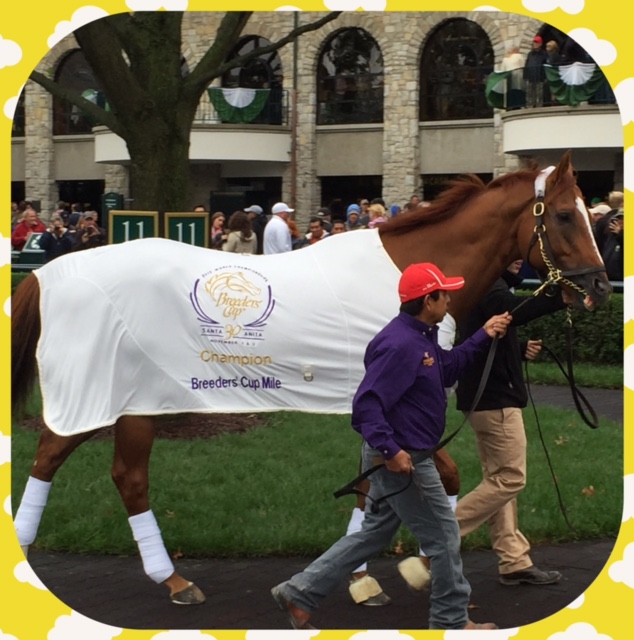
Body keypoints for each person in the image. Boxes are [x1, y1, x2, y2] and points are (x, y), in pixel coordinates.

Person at [271, 262, 511, 631]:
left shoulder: (420, 336)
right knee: (445, 536)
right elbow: (366, 405)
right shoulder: (400, 344)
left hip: (400, 455)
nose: (449, 298)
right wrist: (391, 451)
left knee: (374, 533)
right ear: (427, 300)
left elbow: (446, 369)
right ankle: (451, 621)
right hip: (405, 459)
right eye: (443, 293)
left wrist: (482, 335)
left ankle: (299, 592)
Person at [454, 260, 565, 585]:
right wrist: (560, 298)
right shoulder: (491, 284)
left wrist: (516, 348)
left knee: (499, 481)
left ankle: (513, 560)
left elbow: (483, 332)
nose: (519, 259)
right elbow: (511, 310)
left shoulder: (481, 281)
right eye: (511, 251)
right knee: (511, 479)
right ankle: (442, 532)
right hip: (496, 399)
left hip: (485, 398)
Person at [594, 191, 624, 281]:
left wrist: (621, 234)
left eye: (622, 218)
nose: (619, 222)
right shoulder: (610, 233)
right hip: (608, 278)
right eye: (618, 218)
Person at [523, 35, 548, 107]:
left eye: (537, 42)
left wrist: (545, 77)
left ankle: (539, 107)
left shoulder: (544, 54)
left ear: (540, 44)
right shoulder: (530, 54)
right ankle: (529, 107)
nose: (535, 44)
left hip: (540, 78)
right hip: (530, 78)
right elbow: (527, 64)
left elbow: (546, 65)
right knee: (529, 94)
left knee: (539, 94)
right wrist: (525, 76)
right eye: (534, 42)